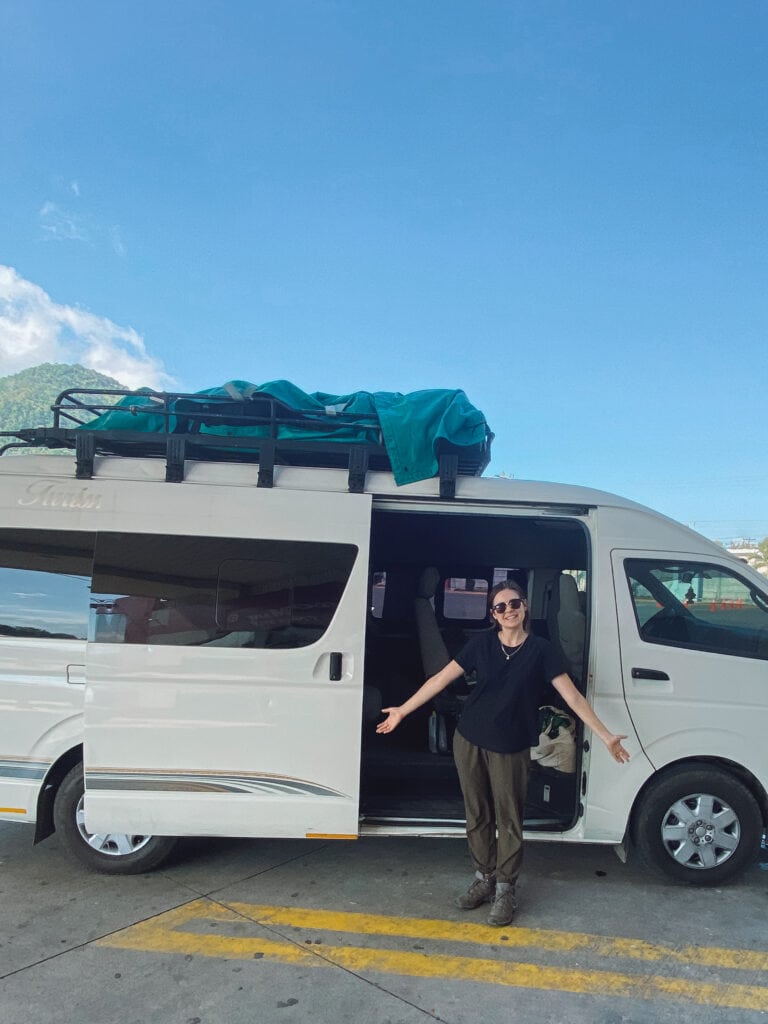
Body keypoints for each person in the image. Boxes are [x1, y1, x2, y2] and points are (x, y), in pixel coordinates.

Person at [376, 579, 630, 927]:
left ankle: (506, 888)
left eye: (514, 604)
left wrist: (604, 736)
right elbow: (440, 680)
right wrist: (403, 710)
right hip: (470, 739)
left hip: (510, 746)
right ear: (493, 614)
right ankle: (484, 878)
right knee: (477, 814)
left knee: (509, 819)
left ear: (524, 607)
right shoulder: (481, 644)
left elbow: (573, 698)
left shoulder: (542, 650)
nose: (508, 610)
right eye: (500, 607)